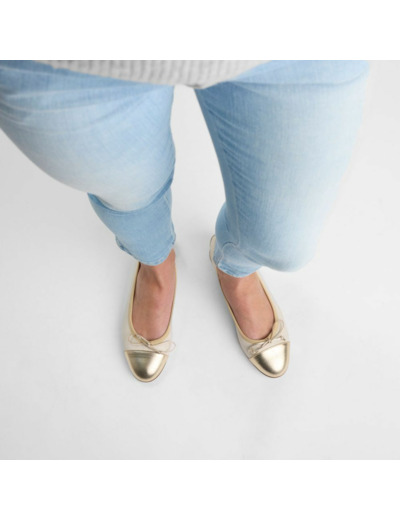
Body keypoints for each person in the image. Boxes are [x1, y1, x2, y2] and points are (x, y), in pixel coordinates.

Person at [0, 60, 370, 382]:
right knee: (128, 195)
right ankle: (156, 264)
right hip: (69, 56)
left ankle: (236, 268)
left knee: (283, 238)